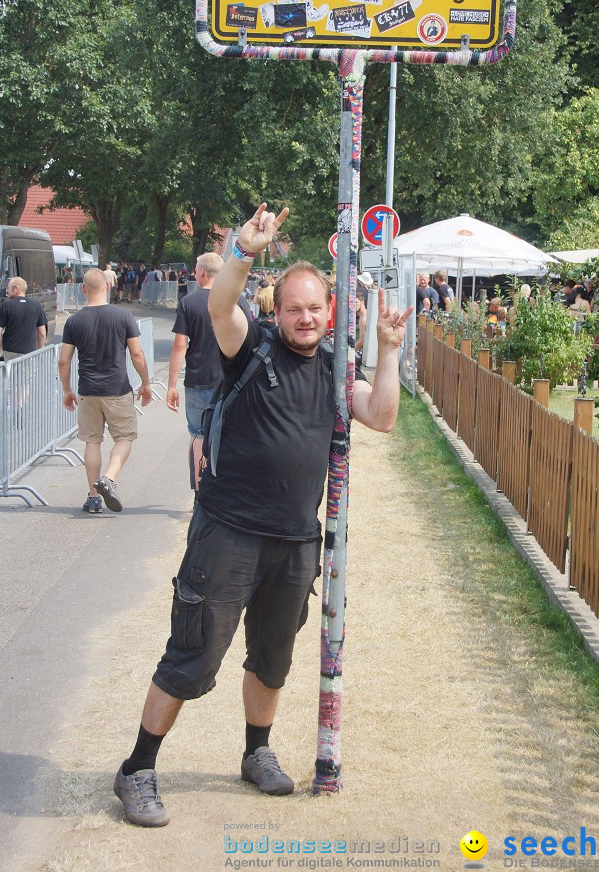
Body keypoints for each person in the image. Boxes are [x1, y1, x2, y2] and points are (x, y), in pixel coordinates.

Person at [113, 200, 413, 828]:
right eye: (294, 308)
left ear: (330, 313)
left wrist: (387, 350)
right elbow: (221, 305)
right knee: (194, 654)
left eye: (315, 309)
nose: (305, 318)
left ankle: (256, 753)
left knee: (272, 656)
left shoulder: (336, 370)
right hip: (228, 531)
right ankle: (138, 768)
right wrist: (242, 253)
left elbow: (382, 415)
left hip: (298, 540)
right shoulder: (250, 347)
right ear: (277, 311)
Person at [58, 268, 153, 515]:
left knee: (92, 441)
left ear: (82, 289)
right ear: (109, 287)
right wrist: (145, 383)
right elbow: (136, 354)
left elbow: (64, 361)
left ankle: (93, 498)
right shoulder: (123, 317)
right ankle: (108, 479)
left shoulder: (74, 321)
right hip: (117, 389)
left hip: (87, 390)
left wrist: (67, 390)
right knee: (124, 438)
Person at [166, 252, 251, 491]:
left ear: (202, 273)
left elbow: (180, 346)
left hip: (198, 380)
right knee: (230, 434)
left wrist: (172, 385)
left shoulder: (189, 303)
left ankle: (201, 493)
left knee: (198, 434)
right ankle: (227, 489)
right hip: (231, 379)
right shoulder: (238, 300)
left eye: (195, 270)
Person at [0, 277, 47, 359]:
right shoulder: (37, 306)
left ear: (16, 288)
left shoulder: (6, 306)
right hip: (29, 352)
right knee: (27, 372)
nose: (6, 291)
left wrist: (3, 348)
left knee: (10, 372)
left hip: (10, 351)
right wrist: (39, 351)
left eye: (8, 288)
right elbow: (42, 334)